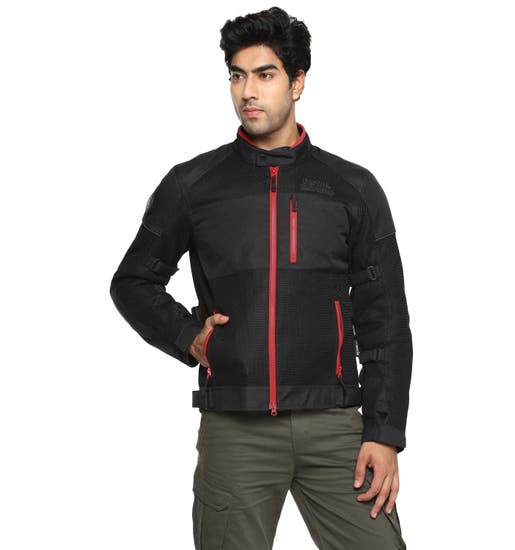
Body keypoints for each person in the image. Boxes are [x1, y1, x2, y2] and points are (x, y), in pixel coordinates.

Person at [110, 6, 413, 549]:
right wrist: (189, 337)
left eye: (265, 74)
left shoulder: (352, 189)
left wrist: (385, 432)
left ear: (297, 82)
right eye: (237, 75)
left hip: (336, 427)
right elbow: (132, 281)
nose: (248, 91)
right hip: (236, 429)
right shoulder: (193, 186)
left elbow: (385, 318)